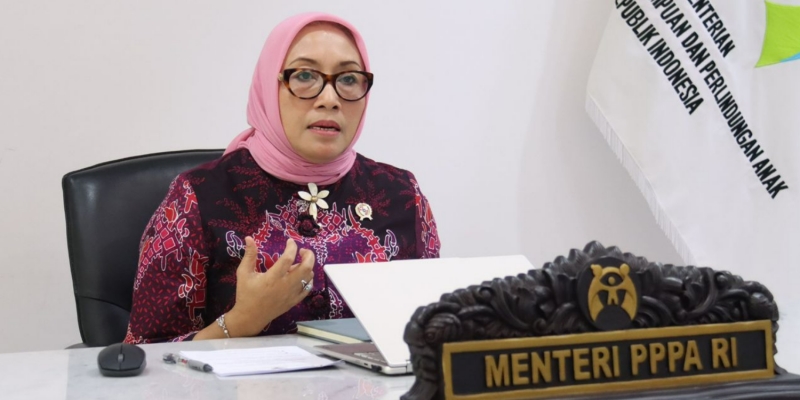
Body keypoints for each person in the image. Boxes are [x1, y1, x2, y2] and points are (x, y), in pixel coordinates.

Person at [124, 12, 441, 343]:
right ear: (268, 86)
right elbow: (146, 353)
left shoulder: (402, 195)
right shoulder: (198, 197)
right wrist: (243, 321)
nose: (330, 100)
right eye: (304, 75)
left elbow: (434, 335)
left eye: (348, 79)